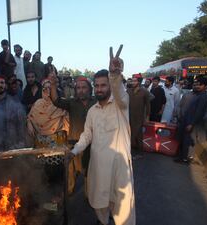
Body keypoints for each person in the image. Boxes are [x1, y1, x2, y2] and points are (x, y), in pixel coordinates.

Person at [68, 46, 135, 225]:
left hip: (119, 169)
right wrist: (73, 152)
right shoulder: (92, 111)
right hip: (98, 168)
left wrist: (114, 75)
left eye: (103, 85)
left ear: (110, 86)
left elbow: (120, 91)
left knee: (123, 212)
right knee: (100, 206)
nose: (99, 89)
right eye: (96, 86)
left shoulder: (121, 105)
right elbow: (86, 135)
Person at [50, 75, 96, 193]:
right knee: (71, 170)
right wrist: (53, 85)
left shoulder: (96, 102)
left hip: (92, 142)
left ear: (89, 89)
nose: (81, 90)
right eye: (78, 88)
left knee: (89, 170)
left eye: (84, 87)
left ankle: (88, 193)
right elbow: (56, 101)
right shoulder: (71, 102)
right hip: (73, 141)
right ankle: (69, 191)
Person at [0, 75, 27, 152]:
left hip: (11, 144)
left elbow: (21, 125)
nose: (0, 85)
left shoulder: (14, 103)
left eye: (2, 83)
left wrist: (21, 143)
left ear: (6, 85)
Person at [174, 77, 207, 164]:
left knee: (188, 140)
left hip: (191, 122)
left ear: (205, 86)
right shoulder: (198, 95)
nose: (197, 86)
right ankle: (181, 157)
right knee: (184, 139)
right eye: (197, 84)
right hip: (187, 120)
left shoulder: (204, 97)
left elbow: (199, 112)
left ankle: (185, 158)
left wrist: (191, 123)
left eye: (200, 85)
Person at [27, 79, 69, 148]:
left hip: (58, 142)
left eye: (50, 88)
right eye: (45, 89)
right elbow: (30, 117)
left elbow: (69, 122)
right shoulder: (38, 104)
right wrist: (29, 123)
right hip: (41, 143)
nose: (48, 91)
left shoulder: (61, 103)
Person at [127, 77, 151, 158]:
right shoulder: (128, 91)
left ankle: (140, 153)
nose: (132, 82)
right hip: (129, 116)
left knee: (138, 135)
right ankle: (128, 152)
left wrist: (147, 117)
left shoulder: (145, 92)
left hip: (139, 117)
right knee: (129, 134)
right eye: (132, 81)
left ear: (139, 82)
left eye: (134, 81)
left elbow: (148, 105)